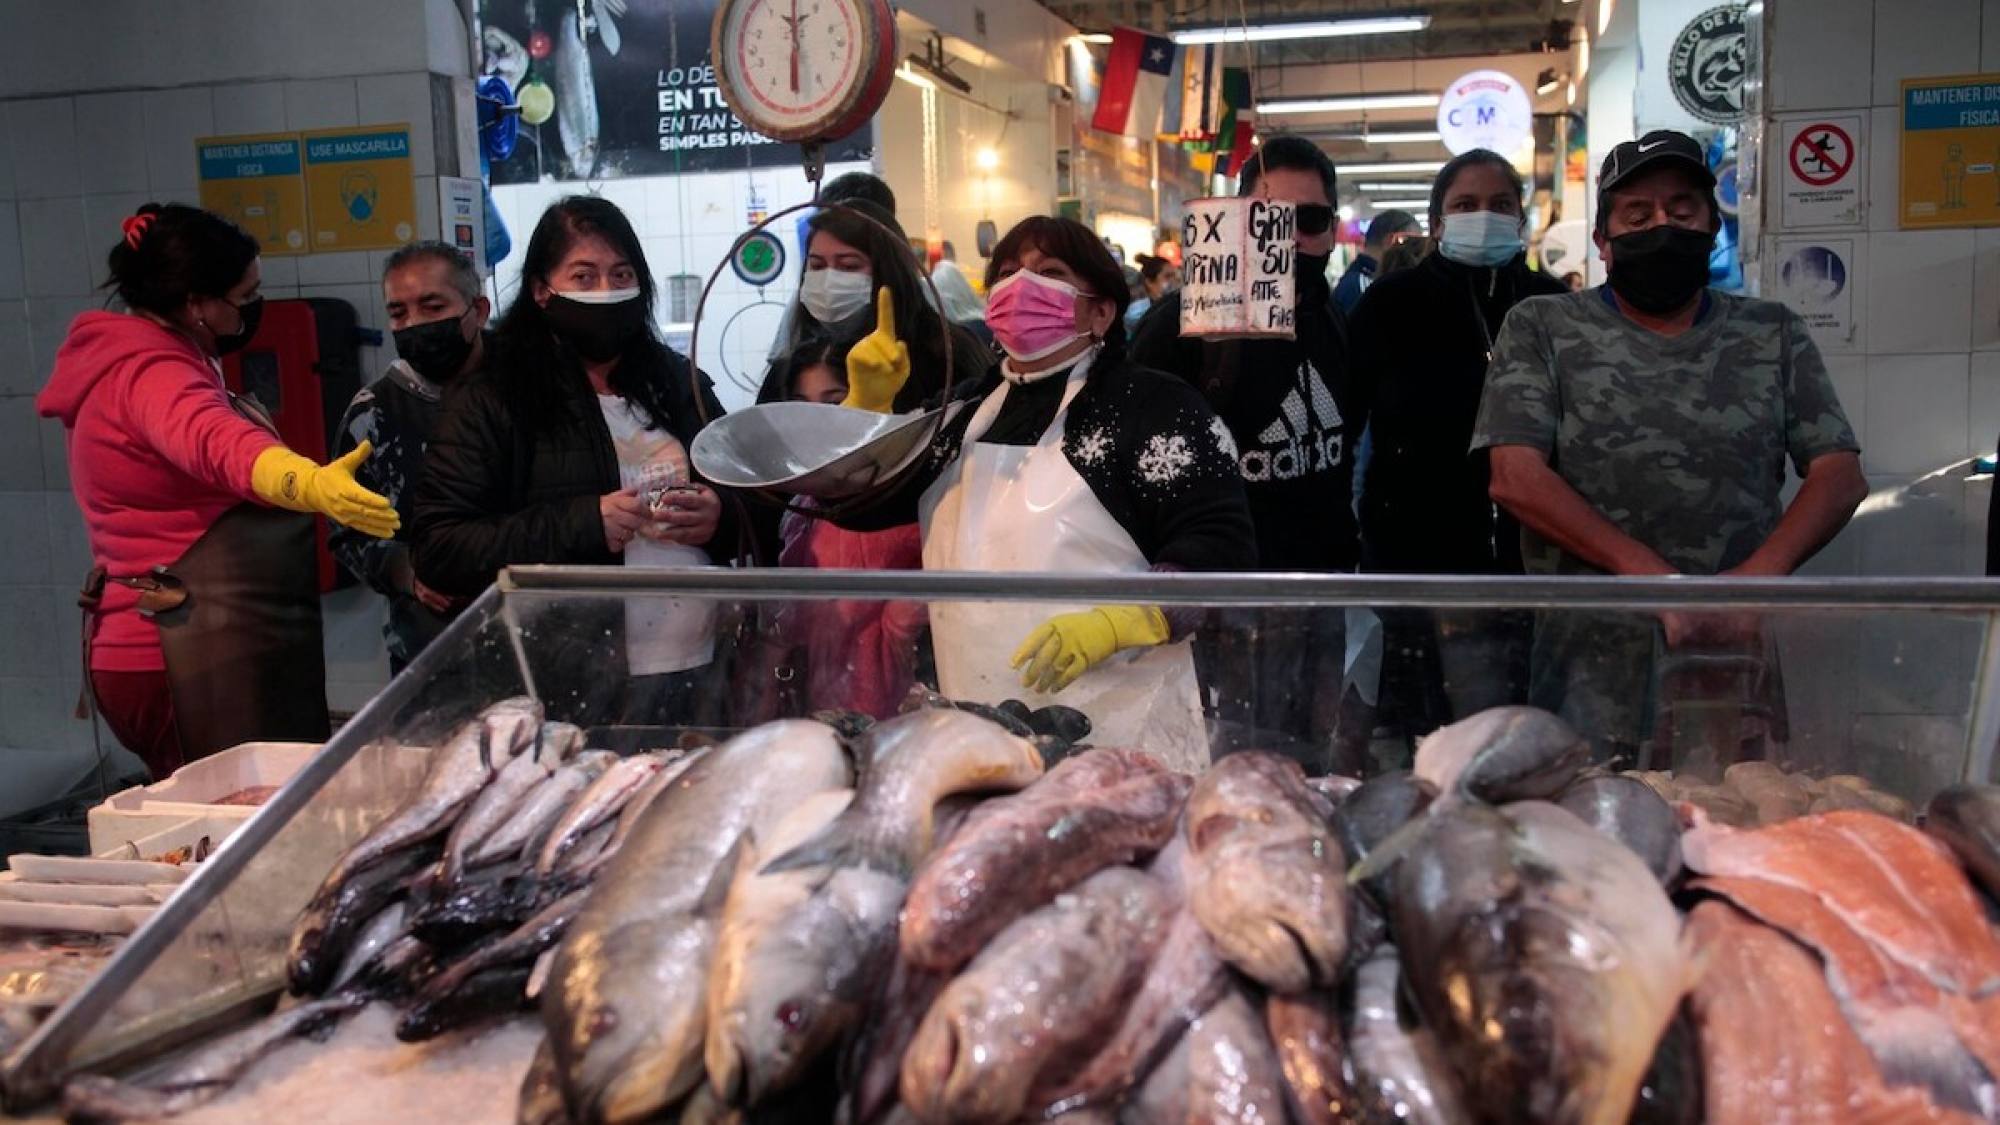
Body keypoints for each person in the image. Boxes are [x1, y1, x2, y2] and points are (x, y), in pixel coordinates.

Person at [1473, 130, 1868, 764]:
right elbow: (1514, 476)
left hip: (1727, 658)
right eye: (1637, 215)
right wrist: (1660, 583)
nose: (1662, 225)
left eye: (1682, 211)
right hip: (1590, 664)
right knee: (1590, 816)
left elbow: (1839, 476)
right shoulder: (1544, 327)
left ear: (1712, 228)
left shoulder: (1771, 332)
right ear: (1603, 242)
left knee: (1728, 811)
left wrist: (1747, 590)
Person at [841, 215, 1255, 771]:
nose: (1021, 286)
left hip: (1124, 730)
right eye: (1008, 273)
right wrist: (864, 415)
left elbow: (1223, 546)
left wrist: (1129, 619)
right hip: (979, 718)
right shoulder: (958, 415)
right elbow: (861, 504)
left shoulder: (1155, 407)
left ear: (1102, 311)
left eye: (1050, 272)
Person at [39, 203, 398, 776]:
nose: (254, 308)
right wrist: (305, 480)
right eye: (244, 296)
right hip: (177, 658)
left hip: (167, 645)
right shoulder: (153, 374)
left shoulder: (153, 357)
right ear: (195, 304)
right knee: (227, 822)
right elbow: (217, 443)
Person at [413, 196, 741, 726]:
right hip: (565, 683)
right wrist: (585, 523)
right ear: (542, 290)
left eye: (621, 274)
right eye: (584, 277)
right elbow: (440, 547)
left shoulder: (678, 383)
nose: (606, 291)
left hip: (698, 667)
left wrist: (720, 517)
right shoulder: (492, 397)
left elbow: (758, 503)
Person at [1131, 135, 1356, 757]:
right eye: (1268, 219)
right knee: (1222, 774)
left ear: (1331, 230)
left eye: (1309, 220)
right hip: (1220, 608)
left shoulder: (1332, 316)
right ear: (1234, 221)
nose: (1289, 239)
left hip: (1319, 597)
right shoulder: (1180, 325)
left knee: (1308, 769)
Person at [1349, 150, 1570, 742]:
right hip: (1411, 560)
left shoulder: (1552, 307)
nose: (1484, 216)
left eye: (1500, 204)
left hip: (1533, 560)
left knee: (1516, 733)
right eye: (1466, 205)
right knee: (1421, 734)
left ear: (1520, 218)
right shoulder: (1391, 304)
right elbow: (1348, 423)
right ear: (1438, 222)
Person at [331, 242, 490, 675]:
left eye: (433, 307)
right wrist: (408, 570)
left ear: (478, 310)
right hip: (429, 650)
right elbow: (347, 531)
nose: (415, 323)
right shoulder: (373, 413)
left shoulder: (525, 387)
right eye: (399, 313)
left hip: (536, 635)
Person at [753, 332, 927, 720]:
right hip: (824, 710)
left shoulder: (907, 499)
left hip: (902, 718)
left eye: (835, 403)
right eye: (802, 407)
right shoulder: (804, 504)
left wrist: (902, 623)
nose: (819, 421)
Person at [759, 200, 992, 412]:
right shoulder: (793, 363)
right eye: (817, 266)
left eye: (849, 266)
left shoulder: (946, 355)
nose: (829, 280)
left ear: (889, 270)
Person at [1333, 208, 1421, 313]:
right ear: (1392, 240)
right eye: (1413, 244)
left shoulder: (1360, 282)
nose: (1416, 254)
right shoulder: (1364, 288)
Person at [1123, 252, 1181, 330]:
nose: (1174, 280)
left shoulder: (1177, 307)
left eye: (1174, 275)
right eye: (1167, 276)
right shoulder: (1136, 315)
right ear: (1149, 282)